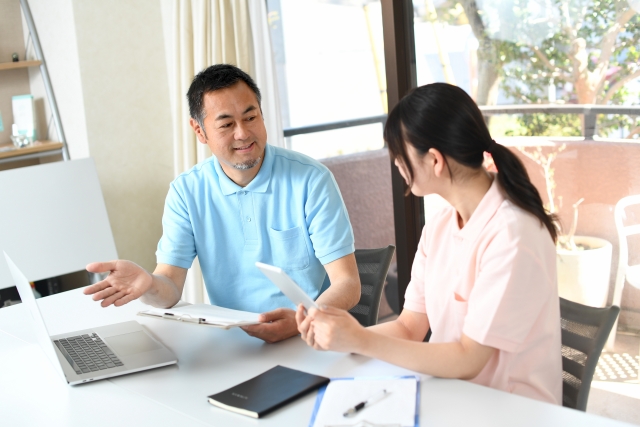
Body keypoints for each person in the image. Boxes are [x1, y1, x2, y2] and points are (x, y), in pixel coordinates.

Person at [296, 83, 563, 405]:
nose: (396, 164)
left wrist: (360, 340)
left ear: (435, 160)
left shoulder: (512, 235)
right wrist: (342, 338)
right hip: (452, 395)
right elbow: (409, 327)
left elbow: (468, 359)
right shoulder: (439, 226)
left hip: (510, 409)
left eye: (399, 155)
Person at [84, 64, 361, 343]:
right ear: (200, 131)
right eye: (227, 124)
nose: (243, 133)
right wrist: (148, 285)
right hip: (231, 341)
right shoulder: (186, 192)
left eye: (251, 117)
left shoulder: (311, 180)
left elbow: (347, 283)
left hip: (308, 337)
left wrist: (302, 322)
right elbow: (169, 286)